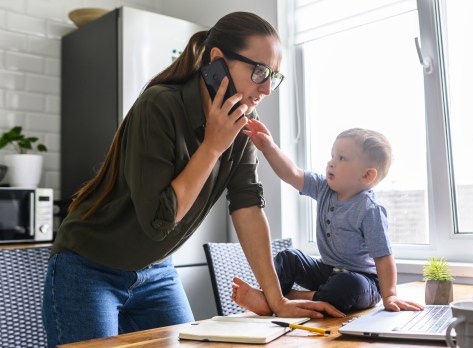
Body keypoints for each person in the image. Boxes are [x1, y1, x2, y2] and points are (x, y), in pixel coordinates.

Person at [42, 12, 343, 347]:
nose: (267, 88)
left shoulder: (244, 119)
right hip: (88, 268)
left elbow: (247, 204)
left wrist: (277, 300)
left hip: (156, 271)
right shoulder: (159, 105)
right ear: (218, 61)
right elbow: (159, 221)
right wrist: (213, 146)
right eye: (259, 71)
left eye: (274, 76)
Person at [233, 121, 424, 314]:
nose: (331, 162)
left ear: (367, 175)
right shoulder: (324, 187)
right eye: (332, 156)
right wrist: (269, 148)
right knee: (288, 257)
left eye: (342, 158)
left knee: (346, 285)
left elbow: (383, 257)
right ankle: (272, 298)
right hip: (326, 271)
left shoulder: (370, 209)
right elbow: (292, 173)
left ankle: (291, 298)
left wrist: (390, 295)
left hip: (363, 281)